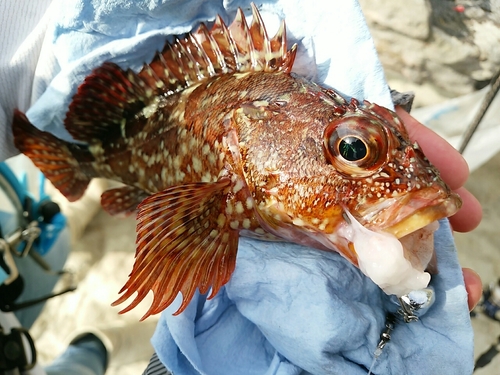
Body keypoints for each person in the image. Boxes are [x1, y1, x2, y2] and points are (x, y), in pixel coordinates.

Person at [0, 0, 483, 374]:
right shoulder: (225, 185)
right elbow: (173, 240)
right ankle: (97, 344)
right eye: (354, 151)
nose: (358, 158)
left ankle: (94, 346)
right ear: (249, 138)